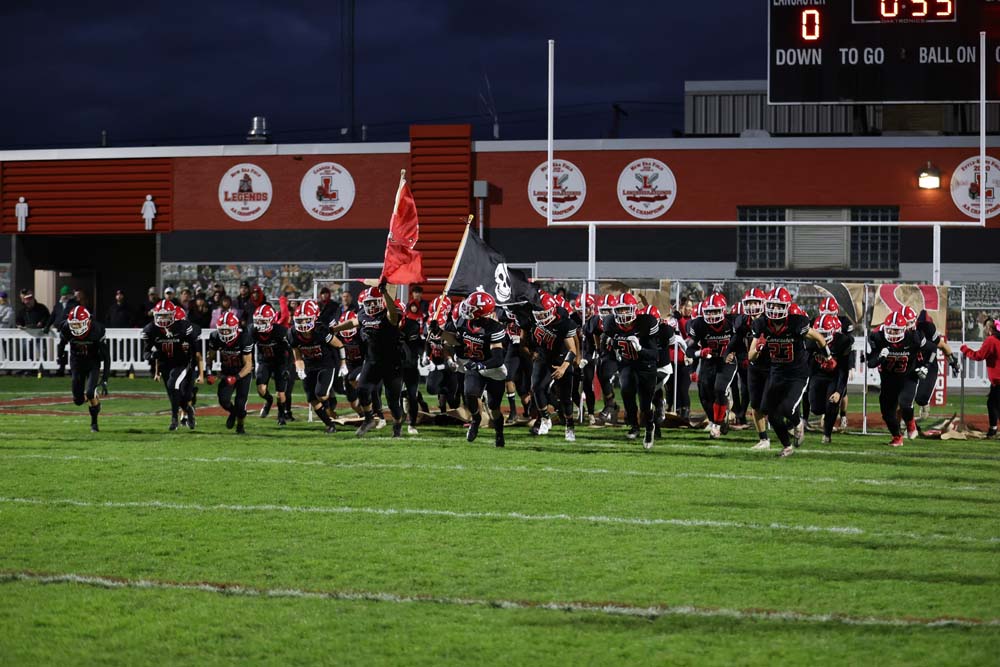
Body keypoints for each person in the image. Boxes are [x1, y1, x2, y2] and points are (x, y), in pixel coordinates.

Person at [749, 287, 831, 458]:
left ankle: (797, 422)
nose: (775, 309)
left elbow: (817, 336)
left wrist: (827, 355)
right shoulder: (761, 324)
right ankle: (787, 446)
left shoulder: (796, 322)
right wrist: (758, 347)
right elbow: (751, 356)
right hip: (776, 372)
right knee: (769, 413)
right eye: (772, 305)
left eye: (779, 306)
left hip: (797, 374)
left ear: (787, 307)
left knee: (787, 408)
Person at [330, 283, 404, 437]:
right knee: (362, 389)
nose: (370, 305)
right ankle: (369, 418)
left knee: (393, 401)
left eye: (373, 302)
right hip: (373, 361)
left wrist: (387, 297)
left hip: (392, 363)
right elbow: (353, 322)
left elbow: (393, 316)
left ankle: (397, 425)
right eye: (368, 302)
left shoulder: (388, 312)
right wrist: (334, 329)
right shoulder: (363, 314)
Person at [867, 311, 937, 447]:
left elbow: (933, 348)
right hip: (888, 379)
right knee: (887, 413)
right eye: (890, 330)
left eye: (896, 330)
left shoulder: (914, 337)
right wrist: (880, 357)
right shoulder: (878, 337)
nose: (893, 333)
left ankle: (911, 424)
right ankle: (897, 437)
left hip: (907, 376)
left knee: (905, 403)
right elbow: (871, 363)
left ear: (904, 329)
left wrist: (926, 366)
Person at [448, 291, 508, 447]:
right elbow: (454, 341)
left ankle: (499, 433)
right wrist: (438, 333)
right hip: (474, 364)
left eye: (472, 308)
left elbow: (498, 358)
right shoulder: (462, 321)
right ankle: (476, 419)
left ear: (482, 313)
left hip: (492, 369)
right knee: (469, 393)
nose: (466, 309)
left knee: (494, 407)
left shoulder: (494, 328)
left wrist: (481, 365)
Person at [601, 293, 660, 448]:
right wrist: (610, 345)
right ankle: (634, 426)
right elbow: (606, 345)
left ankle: (649, 427)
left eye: (626, 309)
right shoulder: (610, 323)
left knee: (645, 403)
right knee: (627, 393)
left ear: (634, 309)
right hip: (627, 364)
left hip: (646, 366)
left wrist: (640, 349)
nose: (623, 314)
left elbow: (655, 355)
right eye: (619, 310)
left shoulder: (646, 323)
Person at [141, 300, 204, 430]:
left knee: (175, 386)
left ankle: (174, 419)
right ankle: (188, 409)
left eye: (166, 315)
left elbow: (196, 346)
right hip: (165, 364)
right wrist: (153, 357)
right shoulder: (151, 329)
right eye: (160, 315)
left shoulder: (183, 326)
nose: (162, 319)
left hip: (182, 362)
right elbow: (146, 353)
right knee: (173, 394)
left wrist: (201, 370)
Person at [525, 291, 579, 440]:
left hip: (562, 359)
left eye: (543, 314)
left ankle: (569, 426)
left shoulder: (564, 322)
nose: (540, 317)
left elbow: (572, 349)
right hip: (544, 356)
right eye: (538, 314)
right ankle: (545, 419)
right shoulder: (534, 318)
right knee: (536, 387)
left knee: (565, 397)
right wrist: (532, 350)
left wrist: (563, 367)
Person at [288, 299, 347, 434]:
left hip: (326, 364)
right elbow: (297, 356)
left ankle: (330, 399)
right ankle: (329, 424)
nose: (303, 323)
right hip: (309, 365)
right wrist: (299, 368)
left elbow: (339, 345)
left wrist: (343, 363)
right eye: (300, 320)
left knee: (321, 394)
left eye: (306, 320)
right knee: (311, 398)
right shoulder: (292, 334)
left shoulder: (320, 330)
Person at [686, 293, 738, 439]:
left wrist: (734, 353)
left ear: (723, 310)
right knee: (704, 396)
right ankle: (719, 419)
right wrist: (700, 352)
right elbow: (689, 349)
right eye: (709, 311)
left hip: (726, 361)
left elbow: (740, 343)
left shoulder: (732, 322)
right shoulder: (698, 324)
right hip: (708, 361)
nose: (712, 315)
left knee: (719, 389)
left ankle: (716, 424)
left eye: (715, 311)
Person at [58, 306, 110, 432]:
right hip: (77, 363)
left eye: (79, 324)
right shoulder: (66, 328)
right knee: (78, 401)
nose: (76, 328)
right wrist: (61, 357)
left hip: (93, 362)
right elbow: (61, 344)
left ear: (88, 322)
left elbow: (106, 356)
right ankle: (92, 401)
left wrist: (105, 379)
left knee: (90, 392)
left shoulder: (97, 330)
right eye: (74, 325)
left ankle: (94, 424)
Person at [806, 315, 853, 444]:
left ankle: (827, 435)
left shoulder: (843, 342)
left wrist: (839, 391)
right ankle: (826, 414)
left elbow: (843, 371)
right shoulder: (810, 341)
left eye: (824, 333)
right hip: (818, 375)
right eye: (818, 333)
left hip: (834, 376)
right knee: (815, 408)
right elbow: (807, 361)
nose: (820, 336)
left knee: (832, 404)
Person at [206, 312, 254, 435]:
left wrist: (236, 377)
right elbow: (209, 357)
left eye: (228, 330)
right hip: (227, 371)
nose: (225, 333)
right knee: (223, 399)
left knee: (240, 403)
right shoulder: (216, 336)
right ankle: (233, 412)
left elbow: (248, 365)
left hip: (242, 373)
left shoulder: (244, 337)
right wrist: (209, 373)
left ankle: (240, 426)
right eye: (222, 330)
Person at [251, 303, 293, 426]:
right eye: (258, 321)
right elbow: (247, 347)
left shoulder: (280, 331)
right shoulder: (253, 331)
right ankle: (269, 401)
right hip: (264, 361)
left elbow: (290, 351)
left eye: (263, 321)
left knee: (281, 393)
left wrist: (287, 367)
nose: (260, 325)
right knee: (261, 389)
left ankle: (281, 415)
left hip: (280, 362)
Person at [961, 317, 1000, 438]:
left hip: (998, 379)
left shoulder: (991, 340)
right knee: (993, 403)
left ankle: (993, 429)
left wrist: (965, 350)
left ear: (989, 329)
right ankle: (992, 429)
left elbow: (979, 356)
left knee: (993, 404)